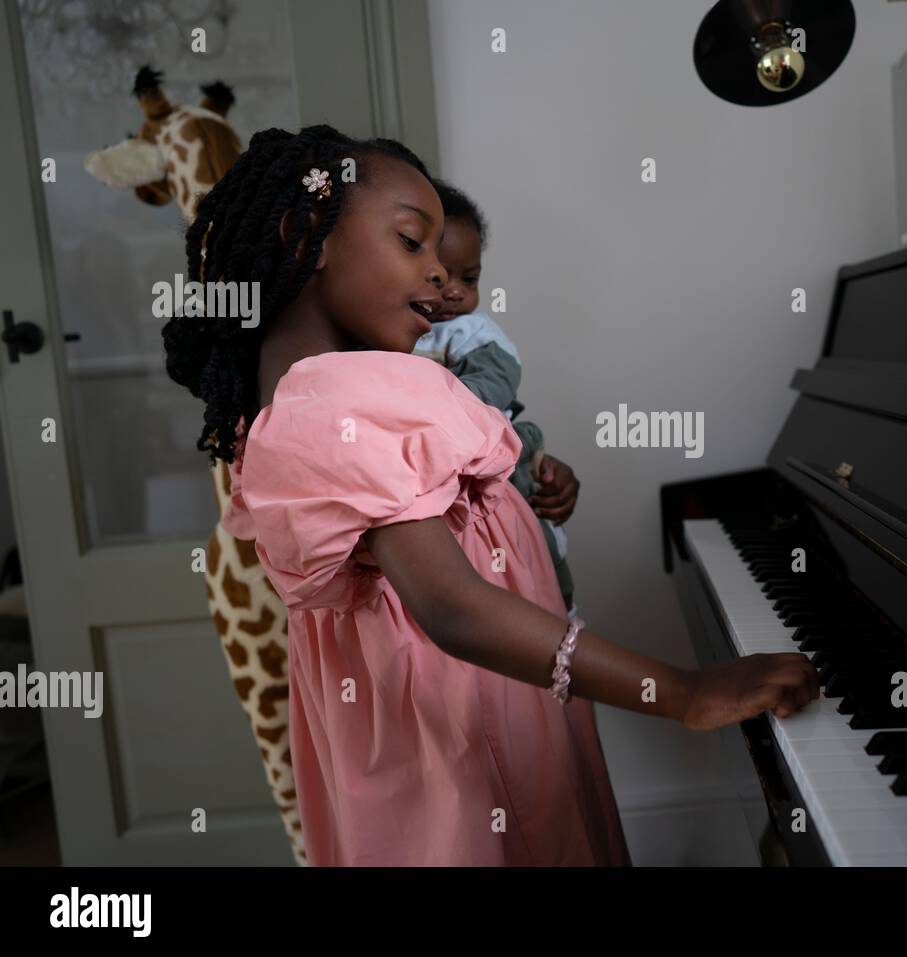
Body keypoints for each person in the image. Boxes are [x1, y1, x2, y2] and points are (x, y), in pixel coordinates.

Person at [161, 125, 820, 866]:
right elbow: (451, 607)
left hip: (484, 707)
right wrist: (682, 690)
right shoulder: (337, 400)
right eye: (412, 242)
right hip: (466, 730)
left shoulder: (324, 394)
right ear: (305, 234)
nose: (440, 275)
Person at [413, 178, 578, 614]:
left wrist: (437, 403)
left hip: (497, 447)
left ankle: (560, 601)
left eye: (470, 278)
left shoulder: (474, 330)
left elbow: (496, 382)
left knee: (534, 534)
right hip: (450, 480)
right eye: (444, 275)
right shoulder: (402, 328)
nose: (454, 291)